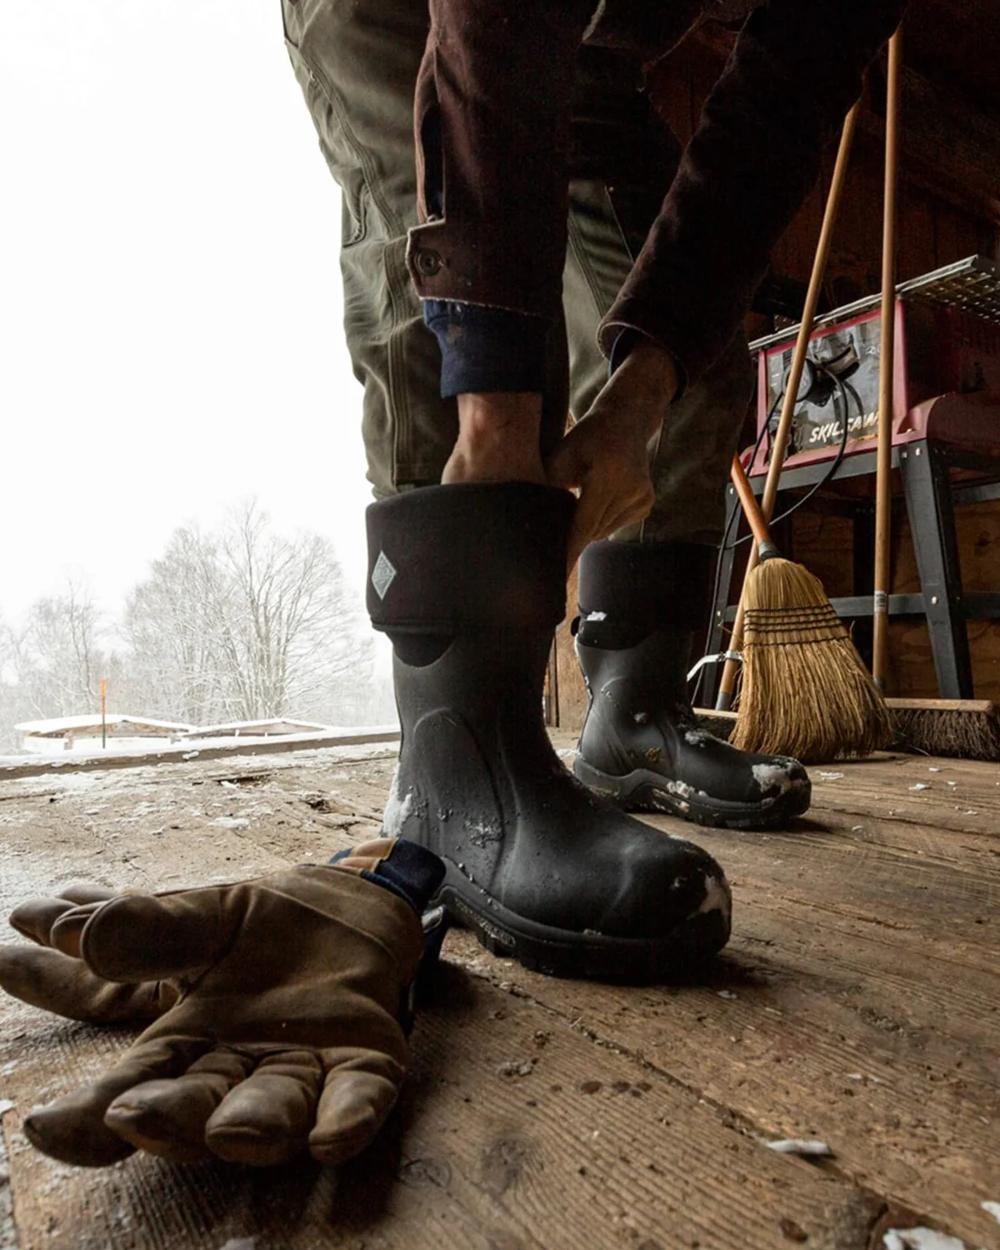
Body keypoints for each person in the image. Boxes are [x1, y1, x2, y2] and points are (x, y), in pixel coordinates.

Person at [0, 0, 906, 1171]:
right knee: (437, 266)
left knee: (675, 326)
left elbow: (789, 88)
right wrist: (493, 409)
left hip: (599, 41)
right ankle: (457, 770)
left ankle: (632, 715)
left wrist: (638, 392)